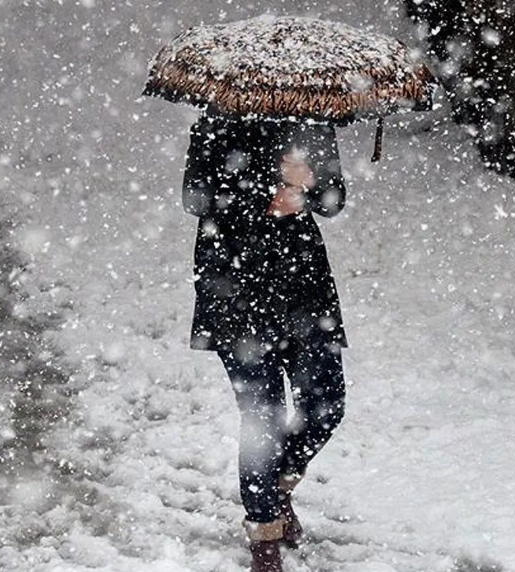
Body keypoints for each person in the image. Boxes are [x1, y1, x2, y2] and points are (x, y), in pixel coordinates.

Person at [182, 110, 348, 572]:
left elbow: (334, 200)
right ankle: (264, 535)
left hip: (304, 288)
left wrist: (309, 186)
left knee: (326, 403)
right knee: (264, 417)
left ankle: (275, 488)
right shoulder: (215, 123)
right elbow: (195, 198)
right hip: (235, 288)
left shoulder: (312, 122)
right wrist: (267, 190)